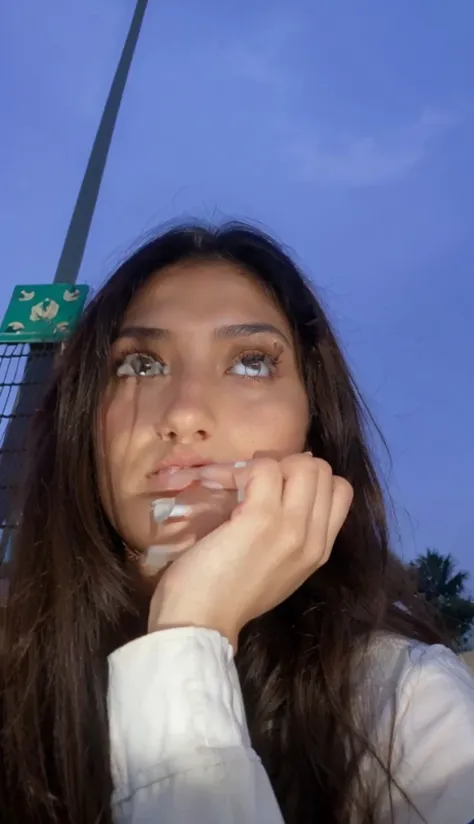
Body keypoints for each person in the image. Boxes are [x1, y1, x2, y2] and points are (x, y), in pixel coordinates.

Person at [1, 223, 473, 824]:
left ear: (314, 431)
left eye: (250, 363)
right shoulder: (17, 693)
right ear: (84, 429)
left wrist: (190, 628)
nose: (185, 414)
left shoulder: (406, 710)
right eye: (141, 364)